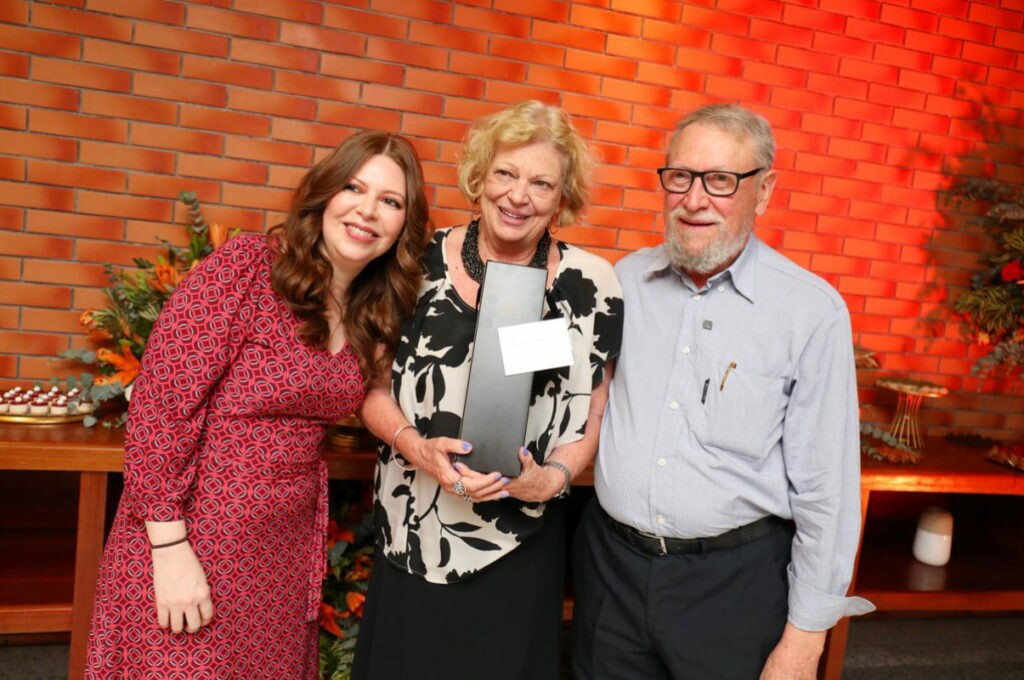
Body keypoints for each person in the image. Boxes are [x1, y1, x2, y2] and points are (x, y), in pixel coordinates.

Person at [85, 130, 431, 679]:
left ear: (402, 228)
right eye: (354, 188)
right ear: (325, 195)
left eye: (391, 202)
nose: (368, 211)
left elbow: (378, 395)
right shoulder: (248, 267)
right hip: (192, 532)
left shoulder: (373, 311)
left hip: (281, 554)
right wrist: (170, 547)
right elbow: (160, 405)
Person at [571, 103, 874, 680]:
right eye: (680, 177)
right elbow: (577, 393)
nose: (694, 199)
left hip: (733, 588)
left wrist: (804, 641)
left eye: (721, 181)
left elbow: (826, 492)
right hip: (612, 571)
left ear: (763, 192)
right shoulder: (625, 281)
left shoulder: (810, 311)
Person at [352, 100, 623, 680]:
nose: (518, 195)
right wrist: (417, 446)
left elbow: (593, 414)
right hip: (413, 528)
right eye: (505, 173)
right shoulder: (413, 261)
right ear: (480, 175)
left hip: (520, 545)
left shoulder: (591, 284)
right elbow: (369, 386)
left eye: (541, 182)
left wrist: (547, 479)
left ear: (562, 197)